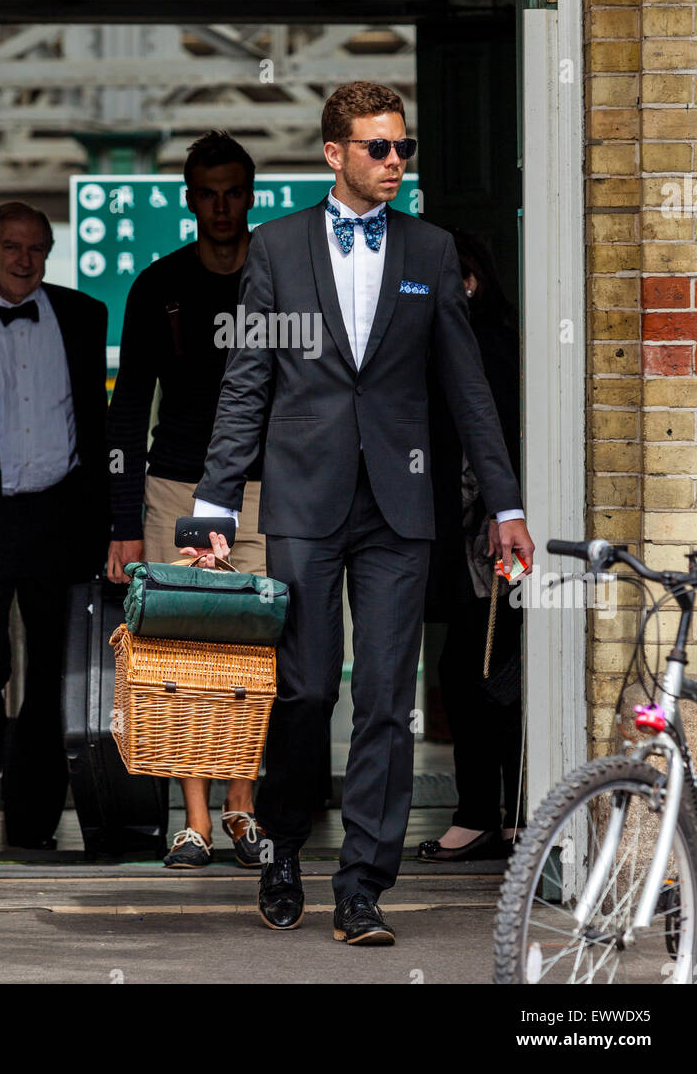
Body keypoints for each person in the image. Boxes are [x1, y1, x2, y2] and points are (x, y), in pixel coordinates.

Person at [192, 81, 534, 945]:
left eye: (402, 148)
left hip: (400, 505)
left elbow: (469, 392)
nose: (394, 162)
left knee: (385, 699)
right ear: (333, 154)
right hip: (304, 500)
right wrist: (212, 508)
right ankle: (282, 846)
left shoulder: (430, 249)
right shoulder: (275, 248)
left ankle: (361, 887)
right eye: (378, 148)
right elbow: (247, 386)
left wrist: (506, 504)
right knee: (306, 693)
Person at [106, 132, 268, 869]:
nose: (223, 206)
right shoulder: (156, 285)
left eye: (234, 191)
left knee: (258, 652)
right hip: (172, 480)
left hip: (267, 487)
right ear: (189, 199)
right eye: (208, 192)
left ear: (252, 194)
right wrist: (121, 522)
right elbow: (127, 406)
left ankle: (245, 811)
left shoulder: (278, 277)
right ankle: (194, 822)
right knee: (181, 652)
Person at [0, 202, 109, 849]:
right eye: (11, 248)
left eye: (36, 249)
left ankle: (32, 819)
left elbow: (102, 425)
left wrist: (111, 522)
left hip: (59, 518)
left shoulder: (84, 316)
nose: (24, 261)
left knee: (57, 672)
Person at [418, 231, 525, 863]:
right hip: (468, 539)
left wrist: (496, 507)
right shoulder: (448, 343)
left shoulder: (489, 342)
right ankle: (501, 815)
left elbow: (502, 433)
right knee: (484, 671)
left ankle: (486, 814)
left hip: (493, 538)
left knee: (479, 673)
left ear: (471, 281)